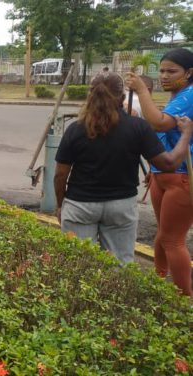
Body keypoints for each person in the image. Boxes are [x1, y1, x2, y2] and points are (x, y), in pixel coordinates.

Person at [54, 72, 193, 267]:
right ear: (122, 97)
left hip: (80, 205)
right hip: (121, 205)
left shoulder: (76, 129)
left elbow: (61, 174)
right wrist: (186, 134)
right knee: (120, 267)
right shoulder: (138, 127)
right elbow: (168, 163)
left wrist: (61, 204)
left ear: (90, 96)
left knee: (78, 266)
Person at [125, 47, 193, 296]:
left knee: (173, 240)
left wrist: (142, 90)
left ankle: (184, 300)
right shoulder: (178, 96)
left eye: (171, 71)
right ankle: (158, 285)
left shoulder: (190, 95)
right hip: (163, 174)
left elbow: (160, 123)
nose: (164, 76)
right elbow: (158, 130)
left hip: (183, 176)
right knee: (163, 236)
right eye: (162, 70)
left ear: (189, 73)